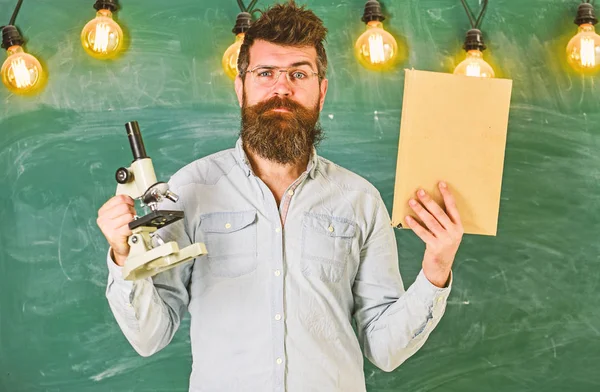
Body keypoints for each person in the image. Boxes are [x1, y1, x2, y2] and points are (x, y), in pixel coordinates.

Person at [96, 2, 464, 391]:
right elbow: (150, 336)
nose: (281, 88)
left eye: (299, 74)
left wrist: (436, 270)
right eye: (265, 73)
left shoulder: (360, 200)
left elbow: (385, 349)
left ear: (321, 92)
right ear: (241, 88)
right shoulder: (189, 190)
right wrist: (124, 256)